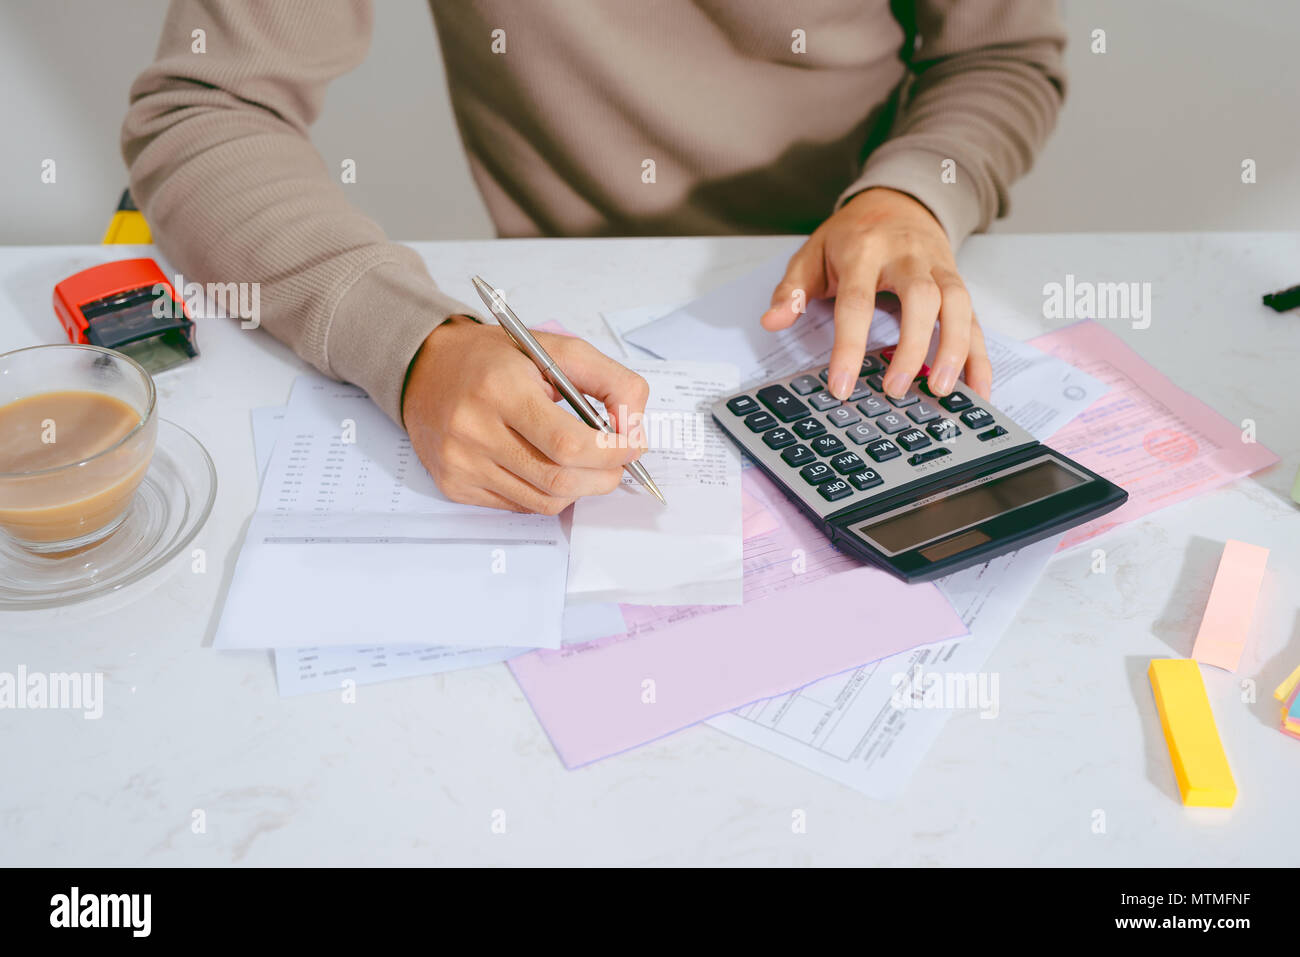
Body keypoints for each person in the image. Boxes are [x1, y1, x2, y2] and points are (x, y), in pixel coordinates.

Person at [122, 0, 1065, 514]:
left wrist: (911, 196)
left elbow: (1001, 55)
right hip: (562, 323)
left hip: (872, 287)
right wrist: (413, 346)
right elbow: (206, 109)